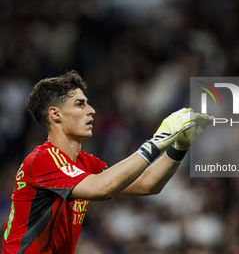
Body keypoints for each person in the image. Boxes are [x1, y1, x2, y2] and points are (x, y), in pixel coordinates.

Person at [1, 70, 213, 254]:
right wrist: (159, 139)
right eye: (79, 104)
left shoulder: (85, 163)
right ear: (55, 114)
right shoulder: (42, 160)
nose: (91, 110)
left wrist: (179, 147)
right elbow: (102, 188)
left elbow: (148, 183)